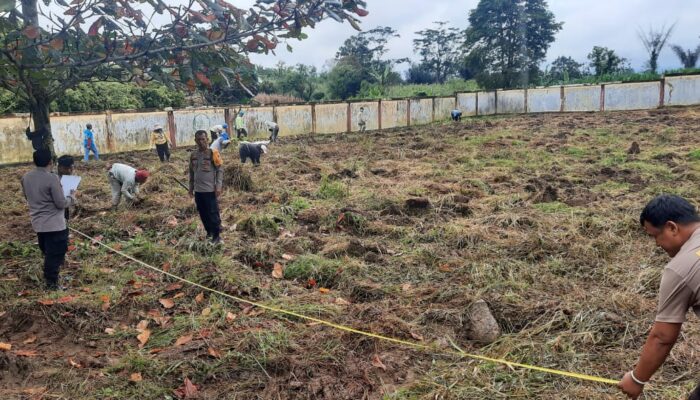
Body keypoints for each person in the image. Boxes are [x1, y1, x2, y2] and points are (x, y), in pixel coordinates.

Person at [618, 195, 700, 399]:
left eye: (655, 236)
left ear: (672, 227)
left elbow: (662, 337)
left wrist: (637, 379)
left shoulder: (681, 268)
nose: (656, 244)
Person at [21, 149, 78, 290]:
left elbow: (28, 197)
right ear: (51, 162)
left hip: (38, 223)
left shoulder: (26, 177)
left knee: (47, 251)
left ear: (34, 161)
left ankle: (52, 278)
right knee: (55, 254)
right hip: (55, 224)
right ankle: (52, 285)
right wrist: (72, 196)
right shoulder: (52, 178)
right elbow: (61, 203)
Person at [189, 130, 224, 245]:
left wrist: (218, 186)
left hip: (209, 190)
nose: (201, 142)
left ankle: (217, 237)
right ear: (195, 141)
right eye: (198, 140)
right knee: (203, 213)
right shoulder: (193, 155)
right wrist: (191, 188)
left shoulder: (213, 153)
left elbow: (220, 170)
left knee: (212, 213)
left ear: (207, 140)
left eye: (203, 139)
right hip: (198, 191)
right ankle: (209, 233)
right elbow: (192, 172)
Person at [56, 155, 75, 221]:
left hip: (64, 207)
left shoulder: (68, 179)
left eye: (71, 168)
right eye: (66, 169)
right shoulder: (53, 180)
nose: (69, 171)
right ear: (59, 167)